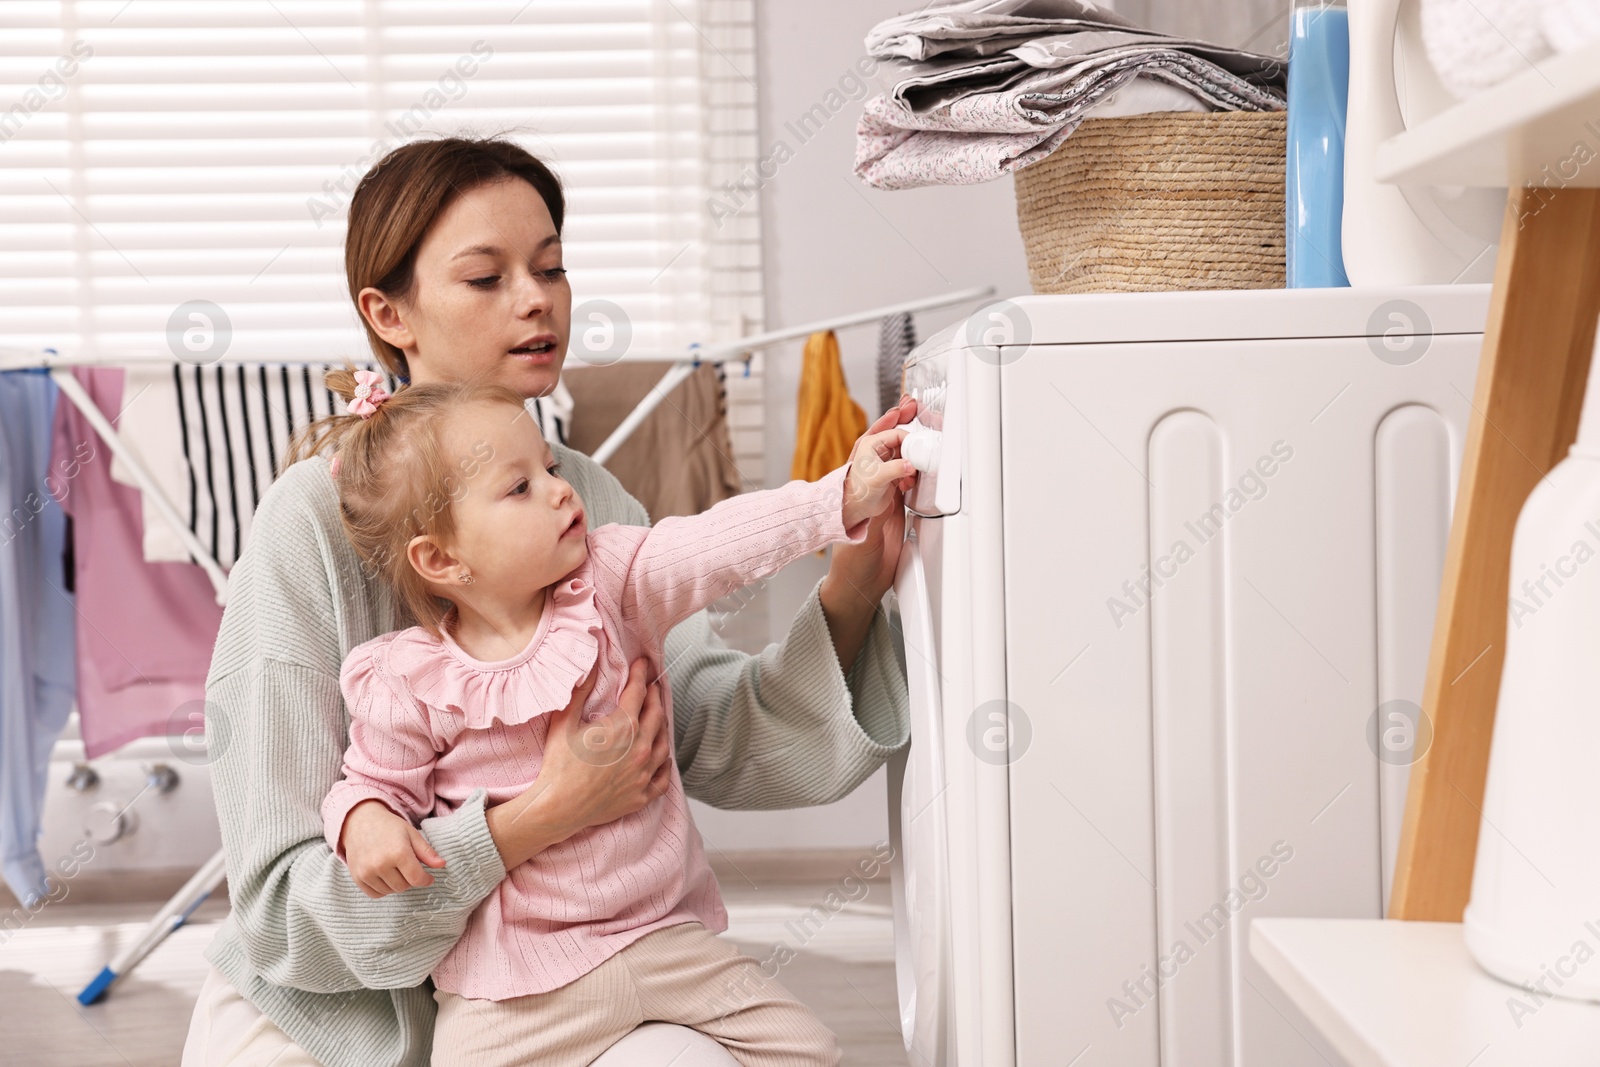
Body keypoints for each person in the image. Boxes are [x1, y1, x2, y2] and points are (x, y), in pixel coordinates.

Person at [181, 136, 914, 1067]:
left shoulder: (590, 501)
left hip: (568, 982)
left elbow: (703, 735)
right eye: (486, 277)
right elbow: (287, 904)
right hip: (334, 1011)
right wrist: (534, 819)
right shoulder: (308, 521)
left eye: (553, 267)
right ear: (388, 312)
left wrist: (851, 586)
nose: (537, 299)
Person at [300, 368, 911, 1066]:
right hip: (515, 987)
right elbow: (371, 782)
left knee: (814, 1051)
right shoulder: (407, 675)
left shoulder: (615, 579)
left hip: (666, 943)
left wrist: (842, 494)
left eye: (550, 467)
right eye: (520, 486)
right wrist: (364, 820)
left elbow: (719, 543)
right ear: (441, 557)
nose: (561, 490)